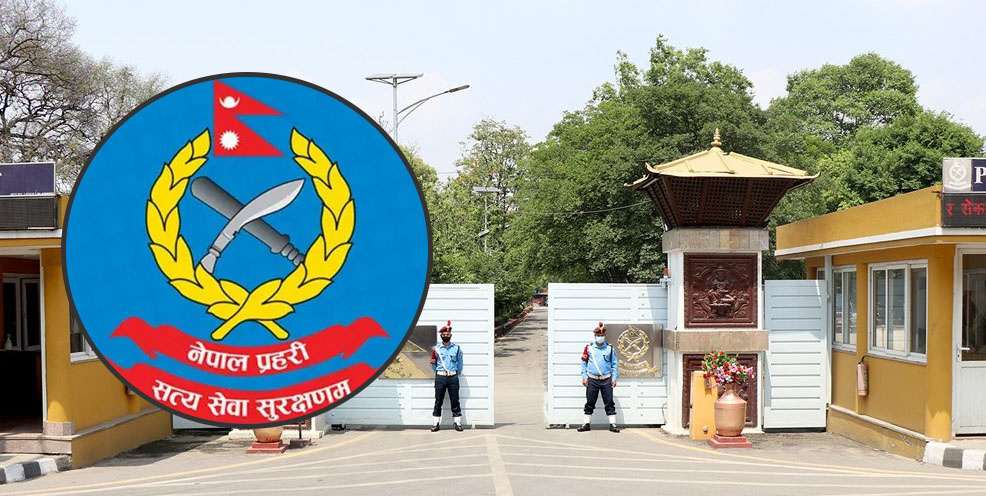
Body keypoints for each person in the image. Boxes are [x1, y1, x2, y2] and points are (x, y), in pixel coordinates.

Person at [578, 322, 619, 433]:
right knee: (590, 402)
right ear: (595, 336)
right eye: (598, 335)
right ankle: (586, 424)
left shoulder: (610, 348)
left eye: (602, 335)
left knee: (609, 402)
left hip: (606, 379)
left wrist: (614, 379)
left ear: (604, 336)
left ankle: (613, 424)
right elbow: (584, 363)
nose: (600, 337)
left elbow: (615, 364)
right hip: (592, 379)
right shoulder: (589, 348)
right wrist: (584, 377)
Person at [430, 320, 463, 432]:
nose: (446, 336)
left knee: (455, 400)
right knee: (438, 400)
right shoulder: (436, 349)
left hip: (453, 377)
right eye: (444, 335)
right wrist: (439, 373)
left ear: (450, 335)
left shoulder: (457, 348)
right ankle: (435, 423)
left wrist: (457, 373)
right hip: (441, 377)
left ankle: (457, 422)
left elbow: (460, 362)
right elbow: (433, 363)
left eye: (448, 334)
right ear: (441, 336)